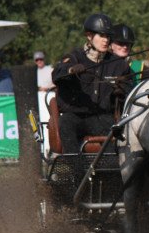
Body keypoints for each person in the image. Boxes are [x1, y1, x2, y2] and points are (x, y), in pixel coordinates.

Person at [52, 13, 134, 153]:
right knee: (65, 122)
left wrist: (122, 90)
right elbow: (57, 74)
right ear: (89, 36)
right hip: (75, 116)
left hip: (101, 117)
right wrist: (71, 70)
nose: (106, 40)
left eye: (108, 36)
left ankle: (110, 169)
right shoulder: (74, 57)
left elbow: (130, 86)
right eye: (101, 36)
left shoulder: (119, 64)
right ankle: (74, 168)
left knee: (113, 128)